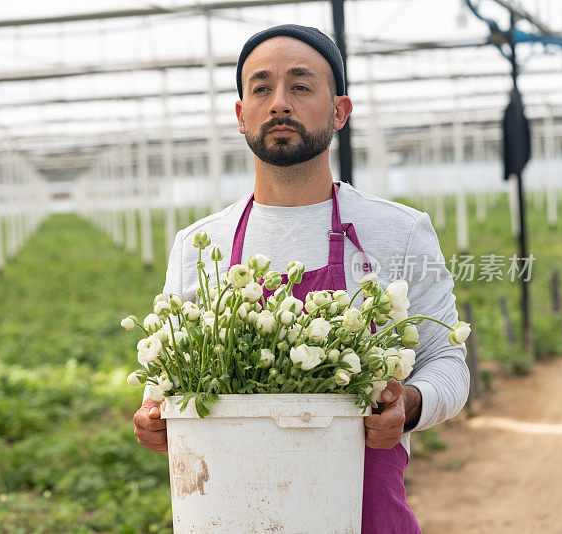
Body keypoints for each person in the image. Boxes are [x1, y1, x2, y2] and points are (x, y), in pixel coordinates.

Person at [133, 24, 469, 532]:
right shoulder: (199, 244)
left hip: (361, 513)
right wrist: (155, 411)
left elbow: (447, 360)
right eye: (261, 88)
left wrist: (411, 403)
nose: (279, 103)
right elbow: (167, 377)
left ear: (339, 112)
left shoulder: (398, 232)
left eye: (301, 85)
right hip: (232, 510)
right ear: (241, 114)